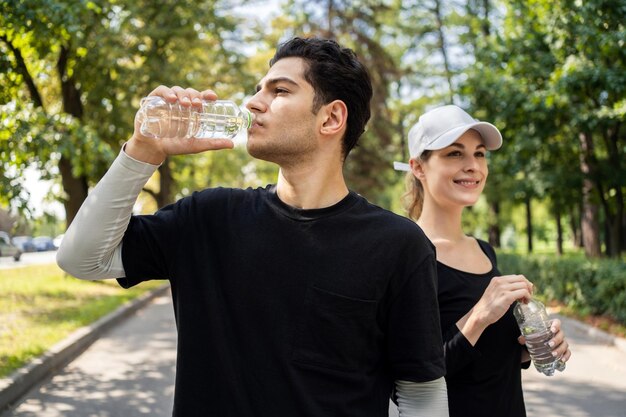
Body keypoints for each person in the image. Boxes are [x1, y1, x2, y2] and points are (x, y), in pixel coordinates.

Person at [57, 37, 449, 417]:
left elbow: (420, 393)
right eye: (257, 88)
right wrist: (142, 151)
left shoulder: (398, 244)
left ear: (331, 118)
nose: (252, 102)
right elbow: (81, 259)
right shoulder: (209, 217)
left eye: (279, 91)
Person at [393, 105, 572, 417]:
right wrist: (479, 315)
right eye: (454, 154)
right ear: (418, 167)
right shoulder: (406, 254)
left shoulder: (484, 250)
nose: (473, 165)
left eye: (479, 154)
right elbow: (410, 380)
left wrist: (533, 346)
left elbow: (483, 357)